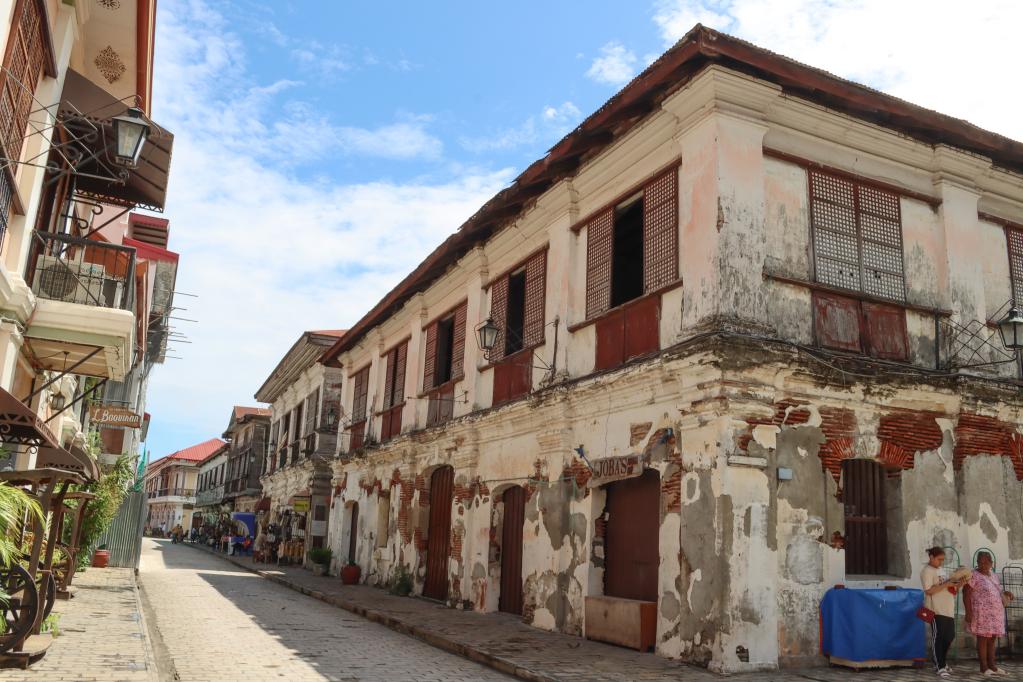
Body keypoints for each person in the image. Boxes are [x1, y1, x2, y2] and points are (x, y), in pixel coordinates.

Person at [964, 551, 1013, 676]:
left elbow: (998, 590)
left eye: (986, 562)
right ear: (977, 563)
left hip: (995, 613)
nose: (983, 564)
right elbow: (966, 593)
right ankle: (984, 667)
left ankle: (993, 666)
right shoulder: (973, 575)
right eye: (980, 562)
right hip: (982, 613)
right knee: (982, 639)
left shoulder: (993, 575)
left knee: (992, 639)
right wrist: (968, 612)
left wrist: (1007, 593)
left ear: (991, 563)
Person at [920, 547, 963, 678]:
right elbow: (928, 591)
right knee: (938, 638)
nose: (941, 562)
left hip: (948, 609)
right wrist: (947, 584)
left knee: (949, 637)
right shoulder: (926, 571)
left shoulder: (940, 570)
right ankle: (939, 666)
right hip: (935, 609)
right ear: (931, 557)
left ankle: (941, 663)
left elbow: (948, 588)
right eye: (939, 559)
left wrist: (958, 584)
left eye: (943, 560)